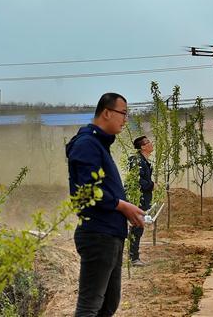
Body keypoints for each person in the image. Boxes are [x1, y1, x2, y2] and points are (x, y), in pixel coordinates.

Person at [66, 92, 145, 317]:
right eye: (123, 113)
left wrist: (125, 208)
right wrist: (122, 206)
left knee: (108, 304)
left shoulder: (99, 144)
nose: (125, 120)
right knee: (90, 307)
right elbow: (88, 189)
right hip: (98, 233)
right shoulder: (87, 144)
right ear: (107, 113)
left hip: (110, 234)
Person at [127, 135, 155, 267]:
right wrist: (151, 185)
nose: (151, 143)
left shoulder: (144, 161)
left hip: (143, 199)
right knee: (137, 228)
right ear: (143, 147)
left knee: (138, 227)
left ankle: (133, 256)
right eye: (148, 142)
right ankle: (133, 258)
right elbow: (137, 180)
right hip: (137, 199)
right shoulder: (136, 160)